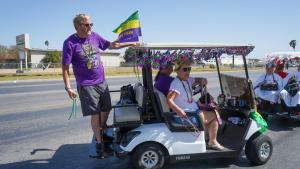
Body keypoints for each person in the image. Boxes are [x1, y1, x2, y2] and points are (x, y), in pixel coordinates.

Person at [62, 13, 136, 157]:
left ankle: (101, 132)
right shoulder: (70, 42)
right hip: (86, 85)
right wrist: (68, 87)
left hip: (101, 81)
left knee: (106, 108)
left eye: (91, 24)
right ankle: (100, 143)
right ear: (78, 26)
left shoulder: (94, 36)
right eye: (86, 24)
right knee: (95, 115)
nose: (90, 27)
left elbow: (112, 45)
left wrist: (131, 43)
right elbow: (65, 67)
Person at [167, 59, 224, 151]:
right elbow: (169, 100)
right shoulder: (176, 84)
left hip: (192, 112)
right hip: (186, 116)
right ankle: (212, 142)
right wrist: (180, 111)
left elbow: (198, 79)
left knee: (209, 112)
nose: (188, 71)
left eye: (189, 69)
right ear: (177, 71)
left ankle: (205, 138)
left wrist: (202, 80)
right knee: (215, 115)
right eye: (185, 69)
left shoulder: (187, 80)